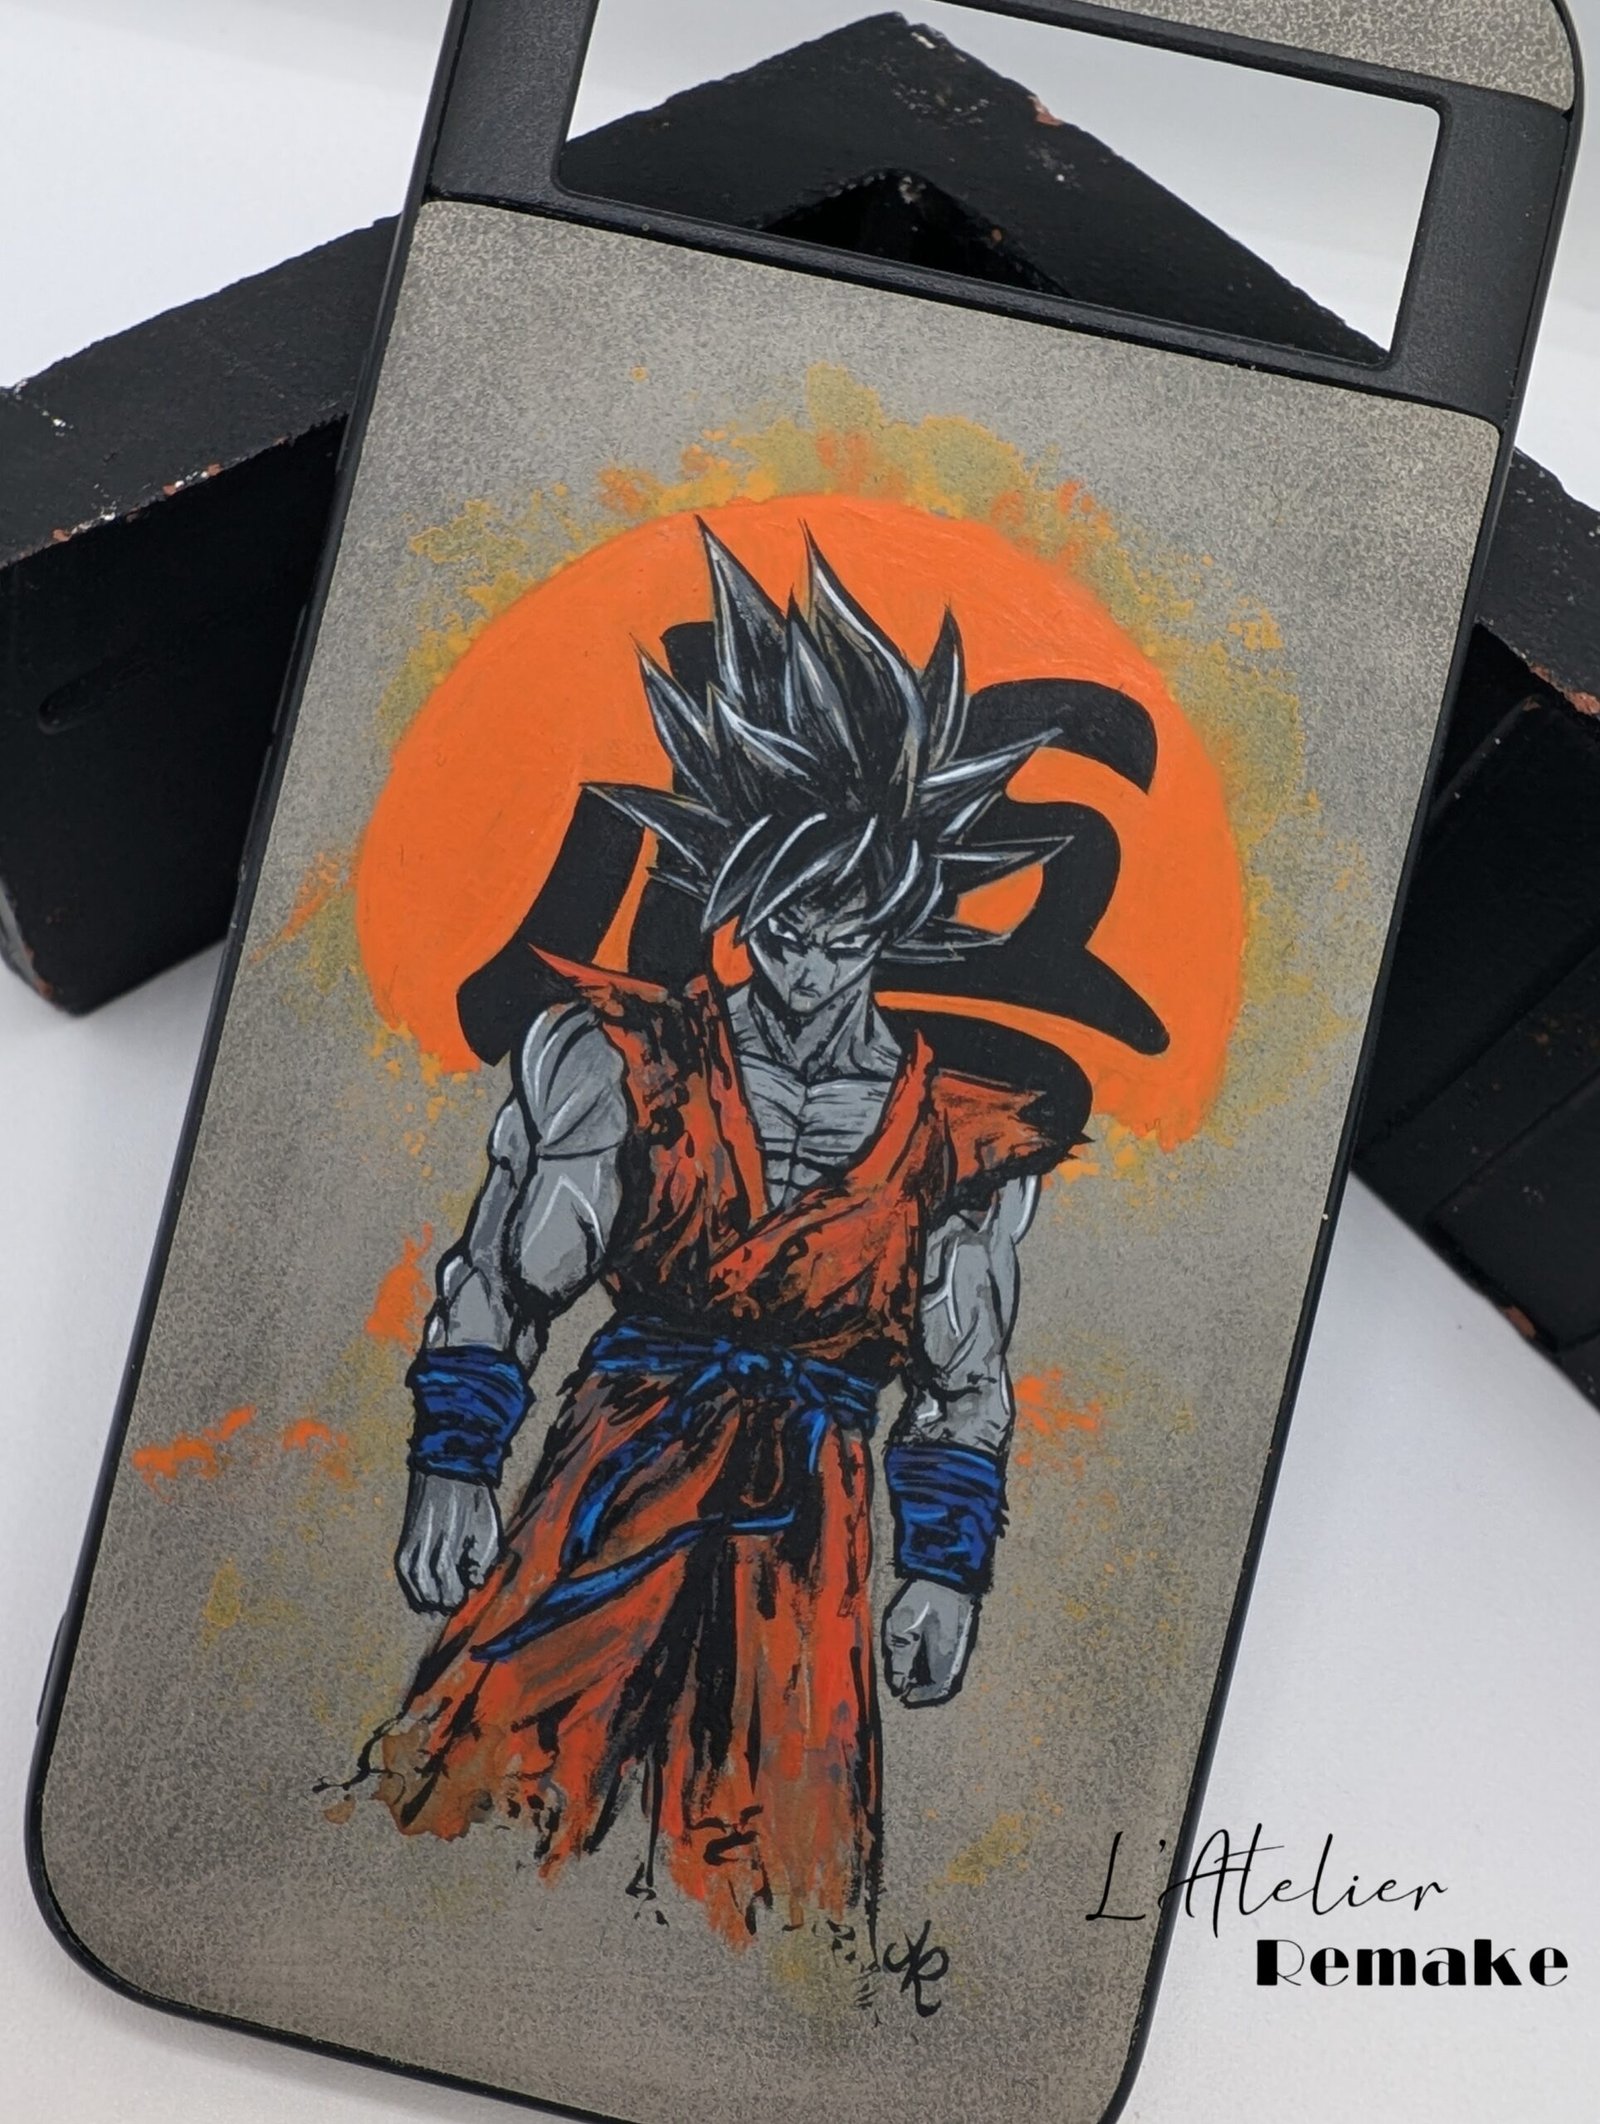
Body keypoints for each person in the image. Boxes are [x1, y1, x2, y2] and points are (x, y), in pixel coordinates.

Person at [362, 524, 1078, 1947]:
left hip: (809, 1514)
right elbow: (506, 1273)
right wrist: (453, 1459)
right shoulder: (620, 1057)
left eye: (844, 928)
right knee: (480, 1793)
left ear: (896, 919)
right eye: (781, 923)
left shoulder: (962, 1137)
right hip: (614, 1465)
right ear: (740, 903)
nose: (807, 960)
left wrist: (944, 1568)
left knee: (773, 1872)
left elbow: (964, 1377)